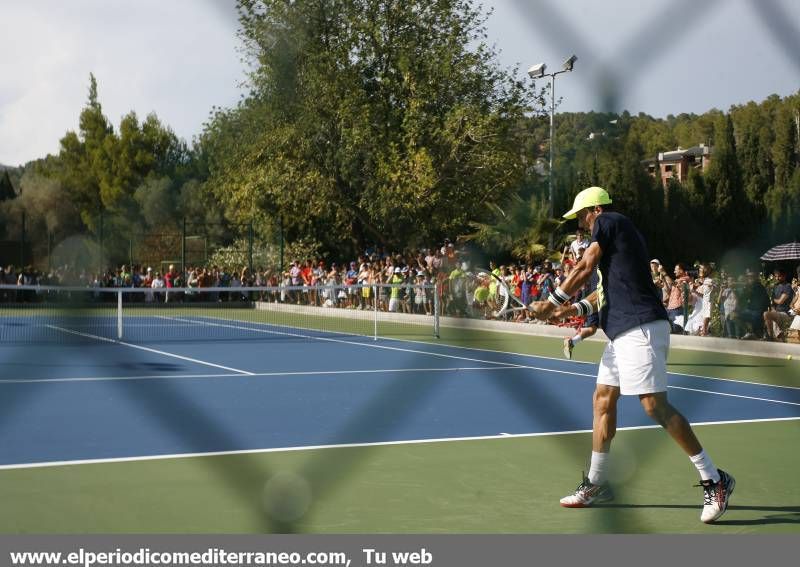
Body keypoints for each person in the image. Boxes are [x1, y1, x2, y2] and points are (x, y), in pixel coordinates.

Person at [530, 186, 734, 524]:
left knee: (653, 404)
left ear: (595, 210)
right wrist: (563, 311)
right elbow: (600, 295)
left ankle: (715, 479)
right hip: (620, 333)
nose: (582, 225)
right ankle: (597, 483)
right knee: (602, 400)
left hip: (640, 328)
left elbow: (585, 265)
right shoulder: (618, 247)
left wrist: (551, 301)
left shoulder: (609, 221)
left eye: (582, 217)